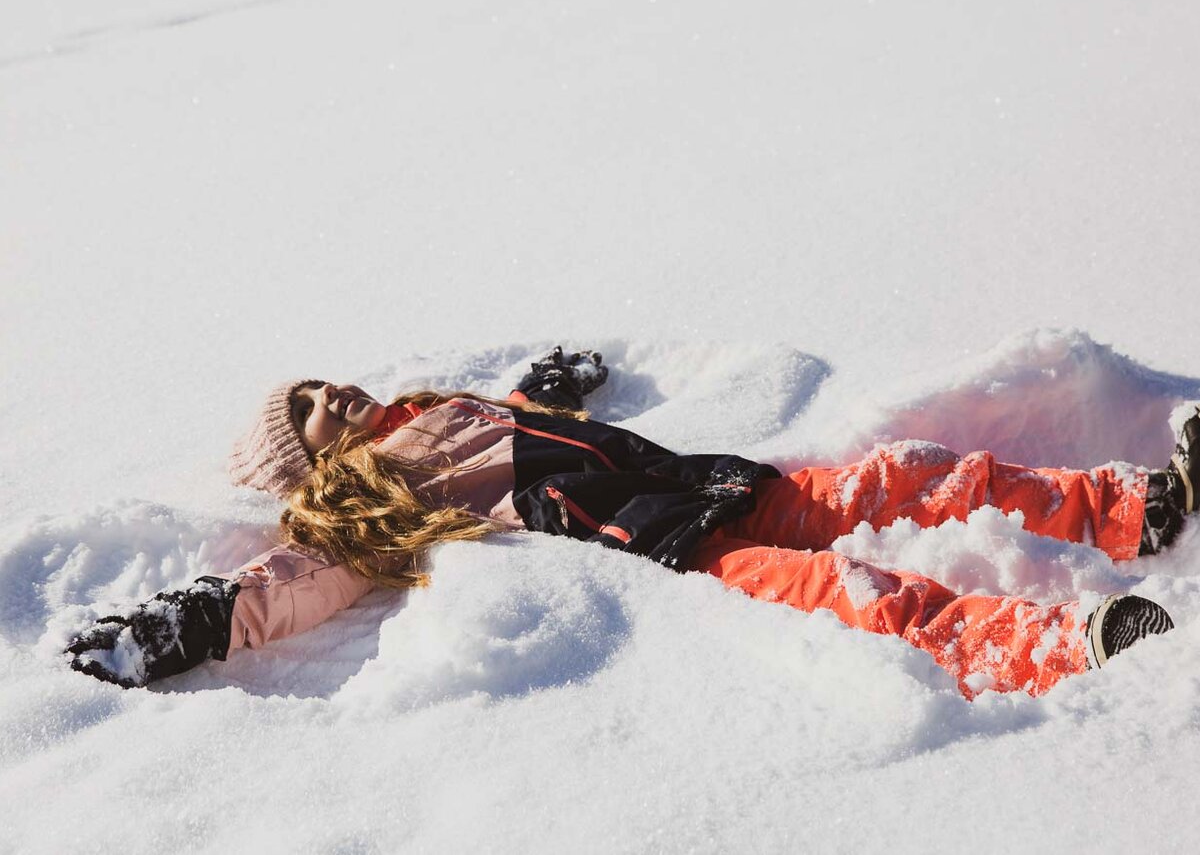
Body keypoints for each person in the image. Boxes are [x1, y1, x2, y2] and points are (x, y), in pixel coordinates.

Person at [65, 348, 1190, 699]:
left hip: (709, 482)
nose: (333, 399)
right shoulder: (371, 493)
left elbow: (538, 432)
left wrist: (545, 386)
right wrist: (199, 617)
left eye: (322, 383)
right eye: (310, 416)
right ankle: (1064, 648)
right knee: (867, 598)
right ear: (312, 460)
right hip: (666, 541)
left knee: (925, 472)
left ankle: (1140, 506)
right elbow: (299, 573)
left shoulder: (441, 408)